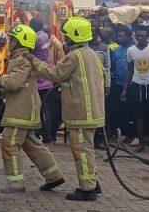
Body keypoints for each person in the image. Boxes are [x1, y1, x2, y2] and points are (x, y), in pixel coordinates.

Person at [33, 16, 106, 201]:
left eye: (67, 35)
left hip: (81, 112)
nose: (65, 38)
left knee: (81, 150)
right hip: (93, 111)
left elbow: (55, 74)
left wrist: (35, 62)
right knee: (86, 148)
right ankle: (93, 181)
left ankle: (87, 189)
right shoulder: (92, 55)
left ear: (75, 36)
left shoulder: (74, 56)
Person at [0, 24, 65, 193]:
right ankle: (53, 176)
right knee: (32, 145)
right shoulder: (20, 59)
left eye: (12, 39)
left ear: (20, 42)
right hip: (25, 108)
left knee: (9, 144)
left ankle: (15, 183)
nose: (9, 41)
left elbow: (14, 82)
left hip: (21, 111)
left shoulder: (22, 61)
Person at [122, 28, 149, 153]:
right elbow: (129, 70)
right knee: (138, 116)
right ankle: (141, 143)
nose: (140, 38)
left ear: (148, 36)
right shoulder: (131, 50)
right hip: (137, 85)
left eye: (143, 35)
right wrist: (125, 88)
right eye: (138, 35)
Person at [30, 18, 61, 145]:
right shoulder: (45, 37)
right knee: (47, 110)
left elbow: (29, 51)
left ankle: (38, 134)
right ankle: (48, 136)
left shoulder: (36, 38)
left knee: (38, 109)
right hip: (47, 78)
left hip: (39, 80)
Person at [89, 28, 113, 150]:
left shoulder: (104, 48)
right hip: (87, 85)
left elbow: (108, 67)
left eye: (94, 34)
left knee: (101, 113)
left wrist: (107, 85)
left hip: (100, 84)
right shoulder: (85, 48)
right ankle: (91, 139)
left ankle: (100, 139)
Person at [108, 28, 133, 142]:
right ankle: (119, 132)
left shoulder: (133, 49)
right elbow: (112, 66)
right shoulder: (116, 50)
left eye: (121, 36)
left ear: (128, 37)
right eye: (118, 36)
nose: (119, 39)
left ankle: (130, 134)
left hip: (131, 84)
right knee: (118, 110)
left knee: (130, 111)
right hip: (118, 84)